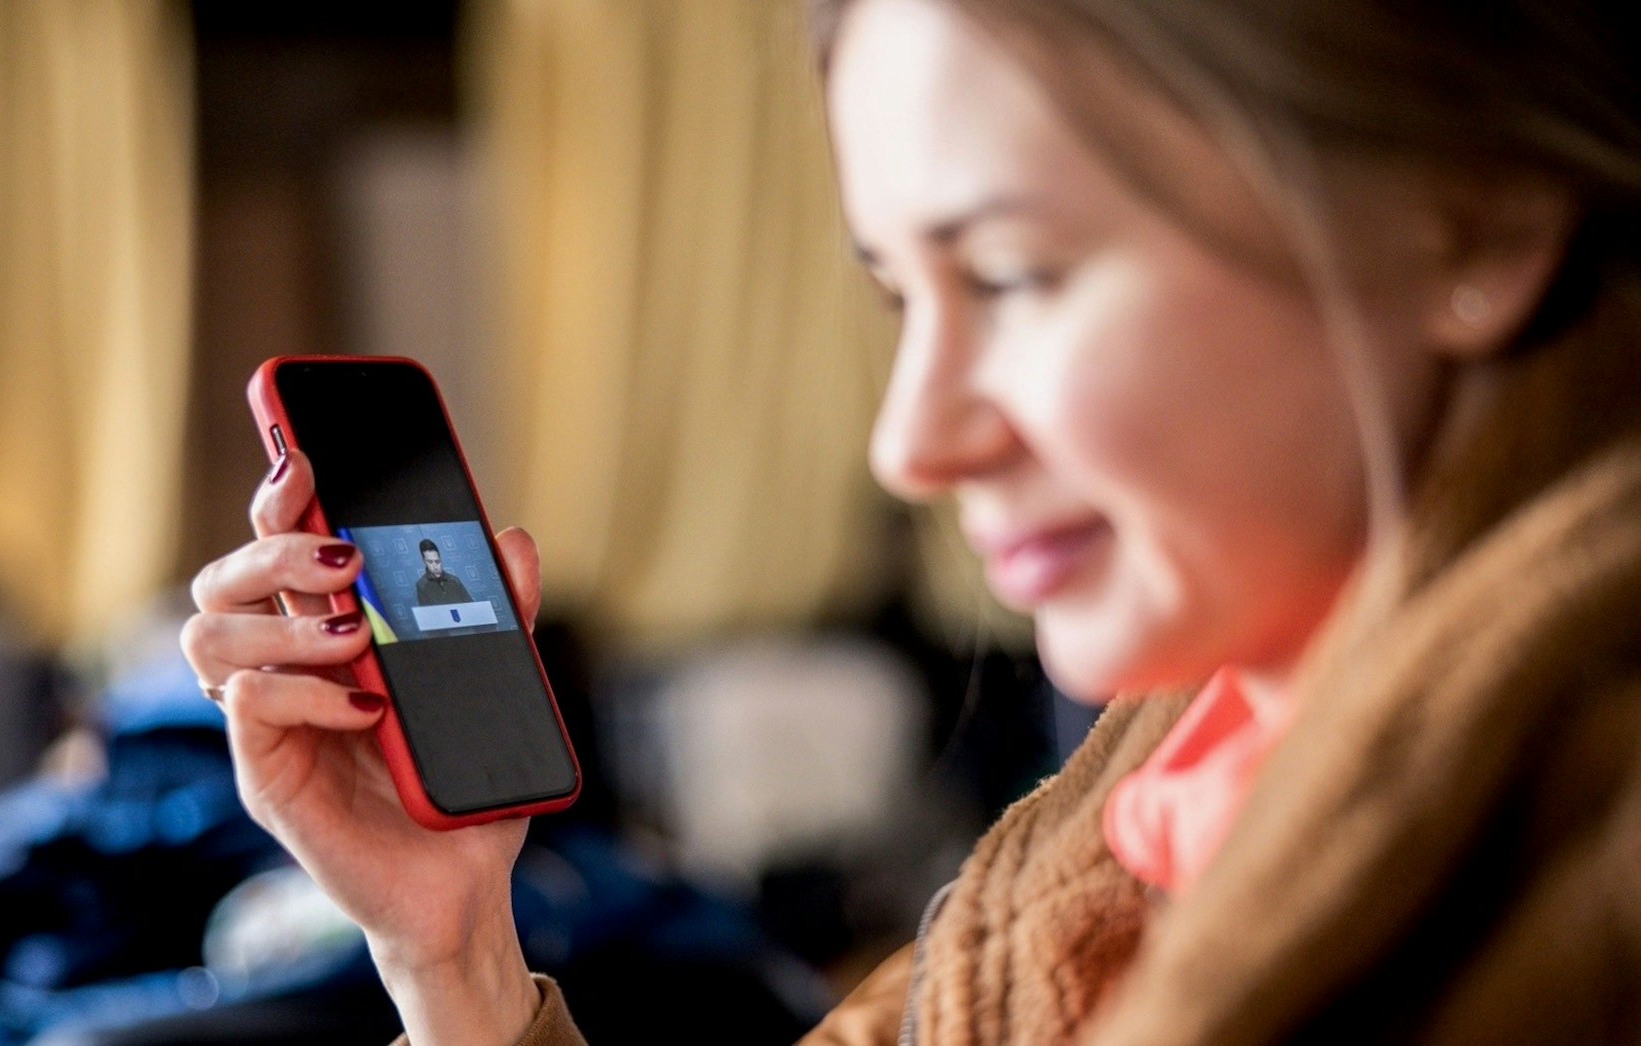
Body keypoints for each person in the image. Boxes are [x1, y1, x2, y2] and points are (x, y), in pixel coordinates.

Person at [180, 0, 1641, 1041]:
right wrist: (457, 959)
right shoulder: (1149, 798)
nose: (909, 443)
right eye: (900, 294)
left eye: (1012, 273)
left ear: (1475, 224)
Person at [414, 538, 474, 607]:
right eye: (430, 562)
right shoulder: (421, 585)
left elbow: (471, 605)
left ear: (440, 558)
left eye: (437, 561)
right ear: (423, 561)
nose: (435, 566)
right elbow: (427, 614)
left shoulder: (454, 580)